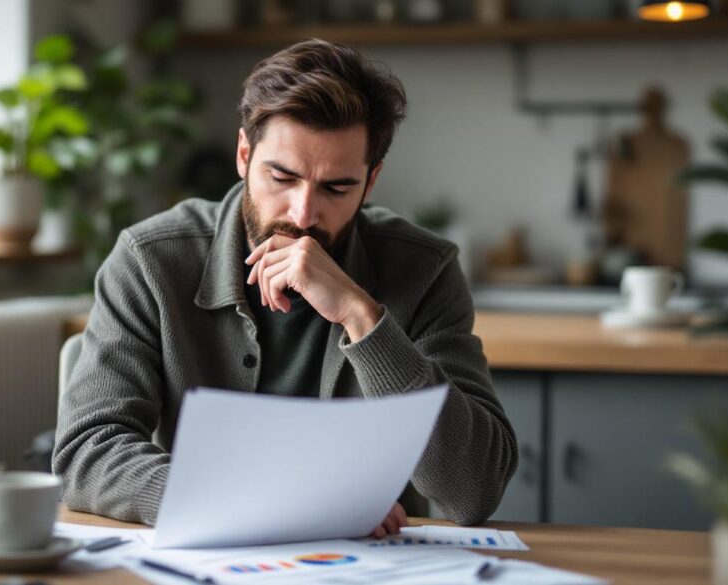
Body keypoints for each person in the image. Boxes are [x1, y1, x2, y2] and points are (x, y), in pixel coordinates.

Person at [54, 39, 518, 537]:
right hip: (211, 558)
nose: (303, 215)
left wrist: (363, 319)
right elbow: (88, 449)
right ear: (243, 155)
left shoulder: (424, 270)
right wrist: (268, 499)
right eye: (281, 177)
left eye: (336, 188)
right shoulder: (151, 261)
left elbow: (472, 492)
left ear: (371, 180)